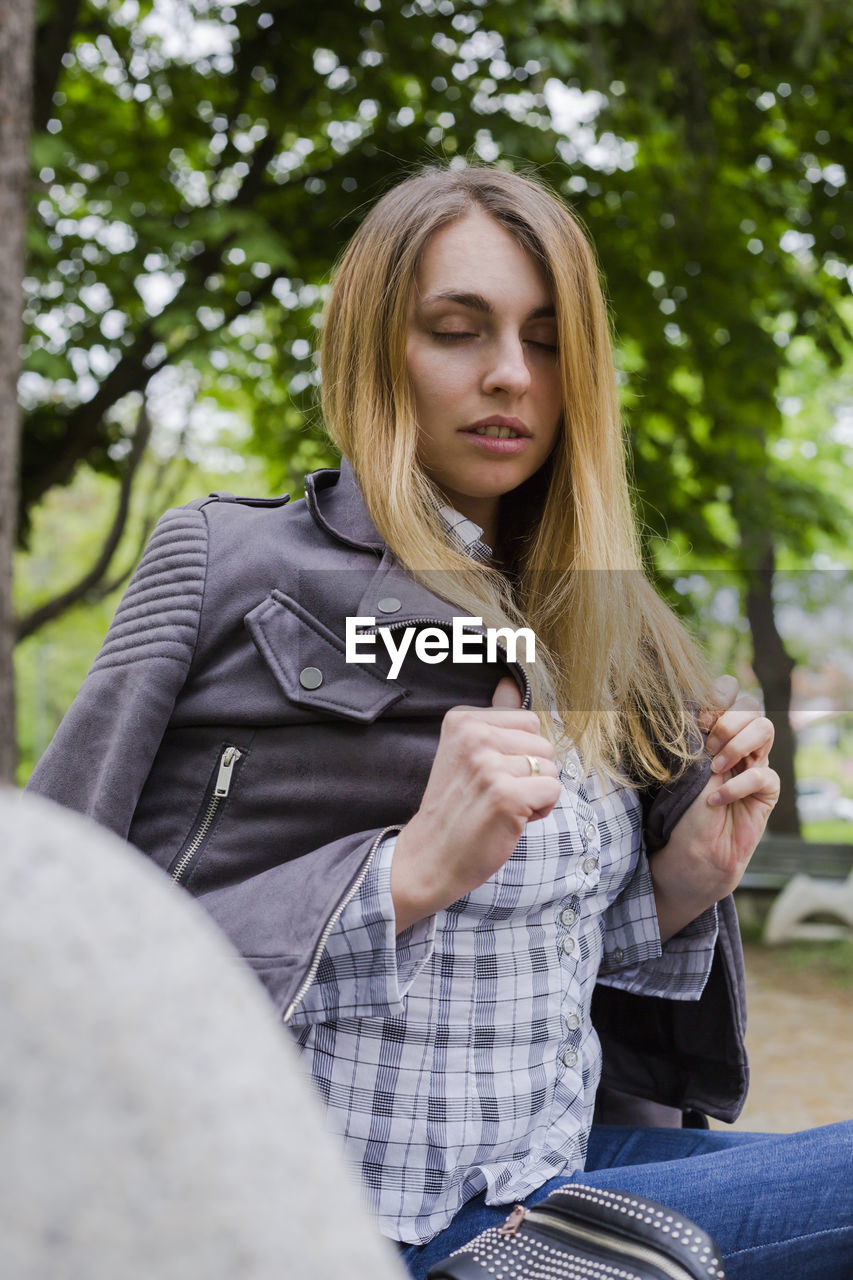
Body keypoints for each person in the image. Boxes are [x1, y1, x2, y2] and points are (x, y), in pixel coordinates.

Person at [28, 165, 851, 1278]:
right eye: (458, 330)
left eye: (547, 340)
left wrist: (678, 886)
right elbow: (40, 938)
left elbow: (529, 964)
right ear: (378, 351)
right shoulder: (229, 564)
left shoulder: (617, 621)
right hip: (328, 1218)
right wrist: (401, 875)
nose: (510, 374)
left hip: (551, 1187)